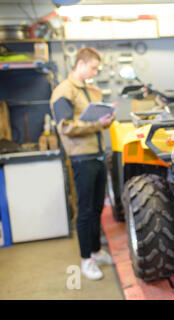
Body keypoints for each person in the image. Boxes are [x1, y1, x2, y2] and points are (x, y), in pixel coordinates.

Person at [50, 47, 116, 280]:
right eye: (93, 67)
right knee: (86, 211)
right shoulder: (63, 92)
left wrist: (106, 120)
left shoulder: (91, 90)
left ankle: (96, 251)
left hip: (97, 154)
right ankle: (86, 259)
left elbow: (95, 122)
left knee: (98, 207)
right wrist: (98, 124)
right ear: (80, 64)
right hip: (81, 158)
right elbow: (66, 127)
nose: (95, 72)